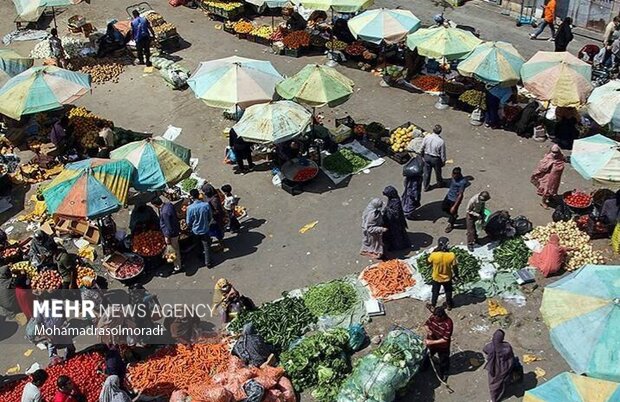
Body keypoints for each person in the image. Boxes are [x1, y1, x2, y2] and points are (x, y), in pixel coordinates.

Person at [483, 329, 516, 402]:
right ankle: (500, 393)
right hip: (504, 368)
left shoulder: (490, 346)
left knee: (493, 383)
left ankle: (494, 398)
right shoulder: (507, 346)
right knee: (501, 381)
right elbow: (511, 357)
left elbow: (484, 350)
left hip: (493, 368)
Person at [423, 306, 453, 381]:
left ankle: (444, 373)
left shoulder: (448, 323)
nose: (435, 318)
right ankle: (424, 366)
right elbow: (426, 324)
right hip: (431, 341)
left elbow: (445, 339)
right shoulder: (433, 316)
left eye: (437, 318)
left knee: (444, 360)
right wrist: (428, 330)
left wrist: (431, 342)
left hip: (442, 346)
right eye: (434, 316)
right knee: (427, 355)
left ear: (442, 316)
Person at [152, 197, 182, 272]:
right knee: (175, 248)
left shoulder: (164, 212)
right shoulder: (169, 205)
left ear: (155, 205)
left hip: (172, 234)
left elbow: (169, 226)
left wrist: (167, 237)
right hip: (176, 229)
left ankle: (177, 266)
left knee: (174, 250)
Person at [427, 237, 458, 309]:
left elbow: (428, 263)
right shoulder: (451, 255)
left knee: (435, 292)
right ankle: (449, 305)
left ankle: (433, 305)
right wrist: (456, 275)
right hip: (447, 278)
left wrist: (434, 253)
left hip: (436, 277)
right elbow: (454, 267)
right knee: (448, 291)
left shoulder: (434, 255)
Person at [530, 144, 565, 209]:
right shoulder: (548, 159)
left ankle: (551, 198)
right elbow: (541, 168)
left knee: (554, 189)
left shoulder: (560, 157)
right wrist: (550, 163)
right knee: (546, 191)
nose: (555, 154)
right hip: (547, 178)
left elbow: (562, 161)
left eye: (556, 152)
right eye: (553, 152)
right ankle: (543, 202)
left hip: (555, 178)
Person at [186, 189, 213, 268]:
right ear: (198, 195)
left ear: (191, 197)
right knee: (207, 246)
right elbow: (210, 217)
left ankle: (200, 256)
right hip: (205, 229)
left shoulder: (190, 208)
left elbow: (188, 221)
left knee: (197, 244)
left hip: (195, 230)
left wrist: (190, 226)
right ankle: (208, 262)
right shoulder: (206, 205)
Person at [382, 186, 411, 251]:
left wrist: (387, 209)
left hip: (396, 222)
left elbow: (396, 214)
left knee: (397, 235)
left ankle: (398, 246)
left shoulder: (396, 202)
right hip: (393, 221)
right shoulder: (392, 199)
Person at [442, 167, 470, 233]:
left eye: (455, 175)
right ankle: (454, 215)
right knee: (443, 207)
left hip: (454, 199)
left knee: (453, 212)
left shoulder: (462, 182)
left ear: (459, 174)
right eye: (453, 174)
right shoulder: (453, 178)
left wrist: (455, 206)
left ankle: (451, 225)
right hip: (448, 196)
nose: (453, 176)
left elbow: (460, 195)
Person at [421, 125, 447, 191]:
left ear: (433, 130)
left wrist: (422, 155)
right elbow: (442, 153)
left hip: (427, 156)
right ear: (440, 132)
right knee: (438, 172)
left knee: (426, 172)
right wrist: (443, 161)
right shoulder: (441, 141)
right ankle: (439, 183)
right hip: (435, 159)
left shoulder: (427, 137)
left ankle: (426, 187)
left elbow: (422, 147)